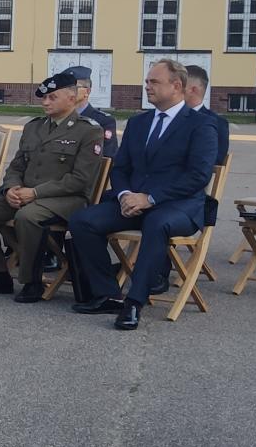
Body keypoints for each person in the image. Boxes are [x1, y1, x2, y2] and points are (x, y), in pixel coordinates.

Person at [68, 58, 220, 330]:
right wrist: (126, 194)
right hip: (132, 202)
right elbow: (120, 166)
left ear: (176, 86)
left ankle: (134, 302)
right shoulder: (139, 123)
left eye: (154, 82)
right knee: (83, 221)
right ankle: (108, 294)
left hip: (178, 205)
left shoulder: (200, 126)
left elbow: (197, 176)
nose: (147, 87)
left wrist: (149, 198)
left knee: (156, 223)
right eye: (147, 81)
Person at [0, 70, 108, 302]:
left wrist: (36, 193)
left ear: (72, 98)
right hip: (26, 193)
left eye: (52, 97)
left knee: (28, 216)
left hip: (67, 199)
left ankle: (32, 280)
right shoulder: (34, 127)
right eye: (44, 98)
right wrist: (11, 188)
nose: (45, 102)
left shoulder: (89, 130)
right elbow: (17, 165)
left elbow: (80, 180)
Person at [66, 66, 119, 157]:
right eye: (65, 88)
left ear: (87, 91)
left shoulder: (103, 121)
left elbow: (106, 157)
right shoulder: (57, 117)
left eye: (74, 88)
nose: (68, 92)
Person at [183, 64, 231, 164]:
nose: (173, 90)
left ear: (193, 90)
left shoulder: (218, 123)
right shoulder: (166, 116)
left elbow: (216, 161)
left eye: (179, 86)